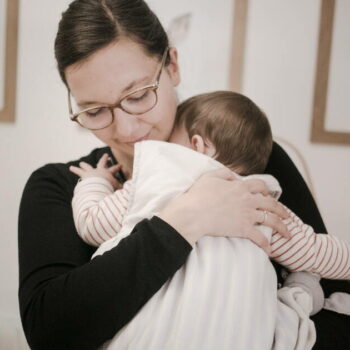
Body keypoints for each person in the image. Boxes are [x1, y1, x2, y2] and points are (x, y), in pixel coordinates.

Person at [17, 1, 349, 349]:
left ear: (172, 66)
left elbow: (337, 308)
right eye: (95, 110)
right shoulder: (61, 185)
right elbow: (50, 334)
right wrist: (187, 218)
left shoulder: (251, 164)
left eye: (140, 94)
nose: (127, 129)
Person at [70, 91, 350, 282]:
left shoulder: (163, 178)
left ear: (196, 146)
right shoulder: (260, 204)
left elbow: (93, 224)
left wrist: (94, 181)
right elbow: (316, 252)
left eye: (170, 142)